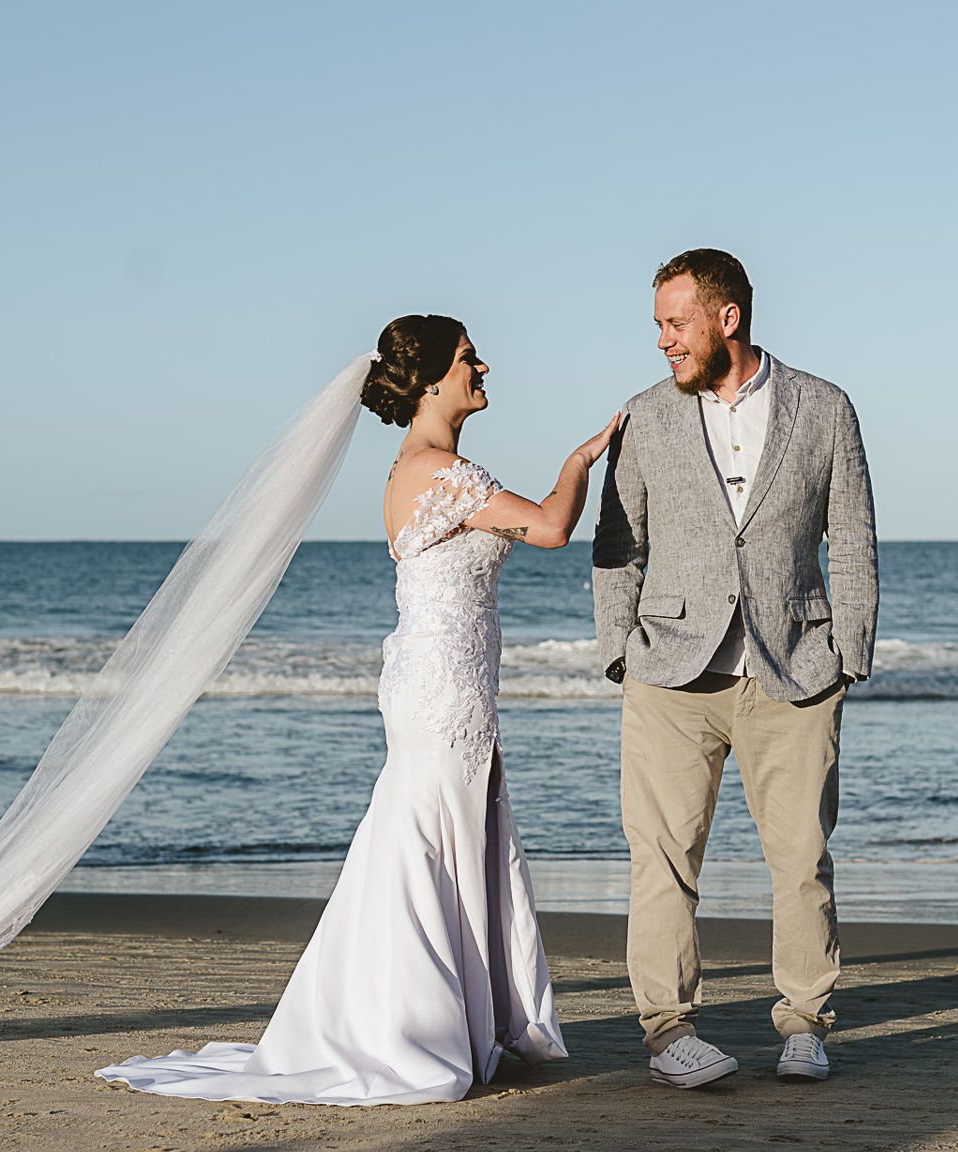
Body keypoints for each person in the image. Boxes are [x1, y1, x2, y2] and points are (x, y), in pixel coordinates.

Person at [96, 316, 620, 1105]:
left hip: (444, 680)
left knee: (438, 837)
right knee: (430, 841)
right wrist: (581, 460)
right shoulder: (440, 470)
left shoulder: (417, 468)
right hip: (441, 688)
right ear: (432, 380)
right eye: (468, 358)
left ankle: (454, 1019)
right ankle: (416, 1026)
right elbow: (550, 526)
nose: (483, 368)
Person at [593, 249, 878, 1089]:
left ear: (728, 318)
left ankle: (804, 1024)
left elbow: (852, 537)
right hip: (669, 677)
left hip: (794, 670)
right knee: (662, 862)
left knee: (801, 859)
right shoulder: (644, 416)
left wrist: (849, 655)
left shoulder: (825, 407)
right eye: (658, 326)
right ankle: (668, 1032)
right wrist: (620, 652)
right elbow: (618, 545)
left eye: (675, 324)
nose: (663, 341)